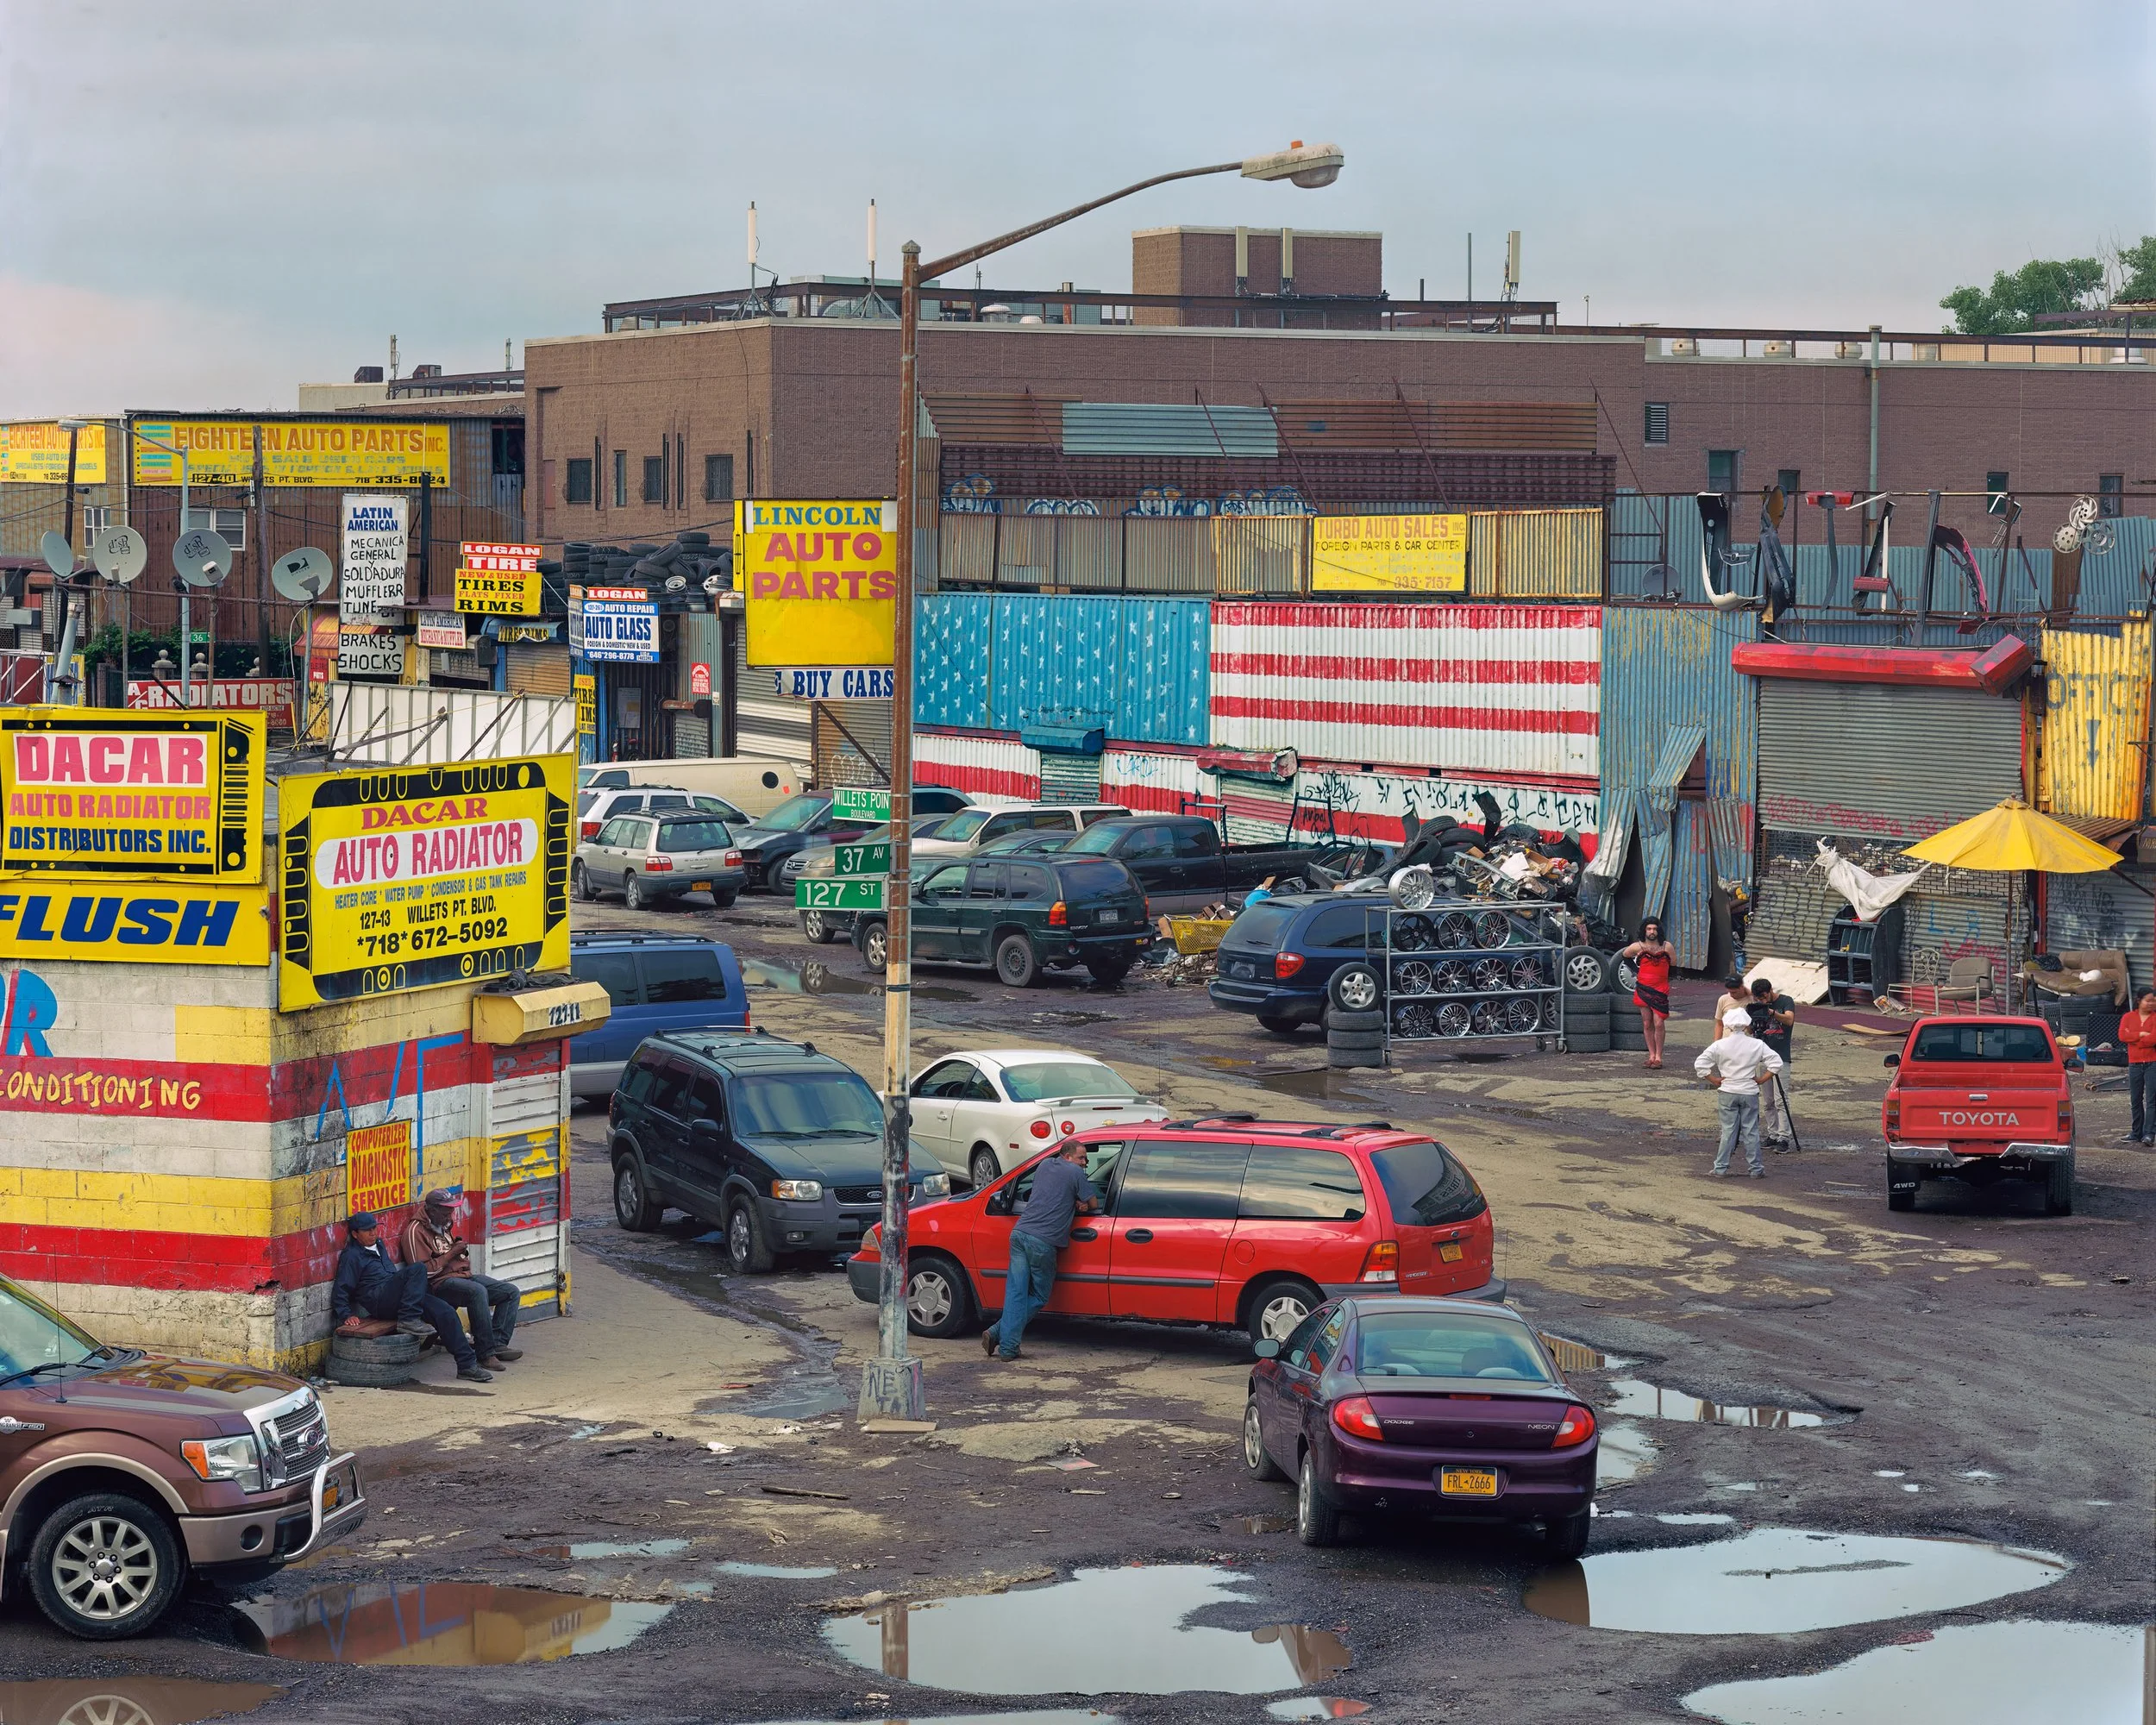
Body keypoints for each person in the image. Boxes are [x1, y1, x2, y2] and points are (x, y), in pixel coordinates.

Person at [331, 1212, 492, 1383]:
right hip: (380, 1301)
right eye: (367, 1231)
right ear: (355, 1234)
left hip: (401, 1298)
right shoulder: (352, 1256)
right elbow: (342, 1287)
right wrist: (346, 1315)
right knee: (418, 1269)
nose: (373, 1233)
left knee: (445, 1311)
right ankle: (408, 1319)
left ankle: (467, 1365)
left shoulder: (378, 1244)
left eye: (374, 1228)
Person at [980, 1139, 1100, 1363]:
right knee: (1038, 1295)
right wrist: (1079, 1203)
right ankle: (1002, 1339)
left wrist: (1072, 1200)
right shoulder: (1076, 1174)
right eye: (1081, 1158)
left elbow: (1053, 1192)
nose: (1085, 1163)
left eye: (1085, 1159)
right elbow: (1093, 1204)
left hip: (1019, 1234)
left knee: (1016, 1292)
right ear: (1067, 1156)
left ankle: (1002, 1340)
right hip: (1042, 1242)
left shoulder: (1045, 1165)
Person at [398, 1189, 523, 1371]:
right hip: (438, 1284)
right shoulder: (415, 1232)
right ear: (432, 1210)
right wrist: (452, 1254)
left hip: (461, 1275)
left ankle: (498, 1343)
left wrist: (456, 1249)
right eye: (445, 1212)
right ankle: (485, 1353)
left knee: (510, 1292)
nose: (450, 1215)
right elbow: (421, 1273)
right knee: (477, 1292)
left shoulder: (442, 1225)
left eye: (451, 1211)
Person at [1695, 1008, 1785, 1179]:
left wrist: (1713, 1079)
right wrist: (1762, 1079)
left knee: (1728, 1131)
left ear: (1727, 1025)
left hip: (1728, 1090)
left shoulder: (1720, 1045)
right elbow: (1776, 1063)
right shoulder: (1756, 1044)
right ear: (1746, 1025)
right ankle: (1756, 1168)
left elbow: (1700, 1064)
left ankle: (1720, 1168)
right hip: (1749, 1090)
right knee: (1751, 1131)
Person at [1750, 976, 1799, 1149]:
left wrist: (1772, 1013)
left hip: (1781, 1056)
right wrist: (1752, 1015)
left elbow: (1789, 1020)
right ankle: (1773, 1134)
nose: (1762, 1001)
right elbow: (1750, 1030)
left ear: (1770, 991)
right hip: (1763, 1057)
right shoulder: (1757, 1005)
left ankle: (1783, 1137)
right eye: (1759, 999)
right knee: (1768, 1101)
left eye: (1764, 997)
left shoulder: (1786, 1001)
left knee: (1781, 1100)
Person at [1618, 919, 1676, 1069]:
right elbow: (1625, 956)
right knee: (1646, 1023)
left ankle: (1659, 1057)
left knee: (1659, 1022)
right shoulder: (1637, 946)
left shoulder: (1667, 946)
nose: (1652, 932)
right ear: (1644, 930)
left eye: (1654, 929)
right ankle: (1651, 1055)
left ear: (1658, 931)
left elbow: (1674, 965)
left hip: (1660, 989)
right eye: (1649, 929)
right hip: (1643, 988)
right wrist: (1636, 971)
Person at [2121, 989, 2156, 1143]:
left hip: (2152, 1063)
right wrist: (2142, 1034)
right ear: (2139, 1000)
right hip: (2134, 1063)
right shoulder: (2128, 1017)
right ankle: (2136, 1132)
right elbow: (2122, 1035)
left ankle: (2149, 1133)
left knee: (2152, 1100)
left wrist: (2134, 1038)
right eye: (2148, 1000)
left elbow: (2154, 1039)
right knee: (2135, 1099)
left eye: (2153, 1000)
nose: (2151, 1003)